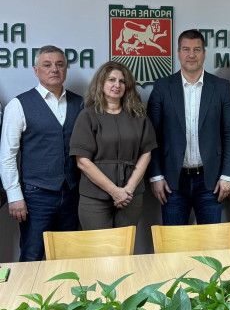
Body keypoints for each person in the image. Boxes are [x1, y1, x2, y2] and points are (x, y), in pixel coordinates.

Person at [147, 29, 230, 226]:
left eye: (197, 49)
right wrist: (156, 175)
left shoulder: (221, 87)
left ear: (204, 53)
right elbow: (151, 135)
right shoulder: (162, 87)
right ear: (178, 53)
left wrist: (228, 176)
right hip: (172, 181)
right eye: (186, 49)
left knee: (211, 242)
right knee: (174, 242)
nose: (191, 55)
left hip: (211, 181)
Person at [0, 45, 82, 261]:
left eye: (60, 64)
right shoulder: (18, 105)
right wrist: (14, 196)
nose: (54, 69)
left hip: (72, 193)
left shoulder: (80, 103)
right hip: (36, 196)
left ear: (66, 69)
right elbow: (7, 156)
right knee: (32, 256)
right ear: (36, 70)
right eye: (47, 65)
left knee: (68, 258)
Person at [70, 61, 157, 229]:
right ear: (101, 83)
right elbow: (82, 161)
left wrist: (129, 189)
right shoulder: (87, 115)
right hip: (95, 197)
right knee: (99, 245)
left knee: (125, 245)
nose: (117, 85)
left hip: (130, 196)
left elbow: (146, 153)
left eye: (122, 81)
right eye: (111, 80)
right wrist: (114, 191)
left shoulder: (138, 116)